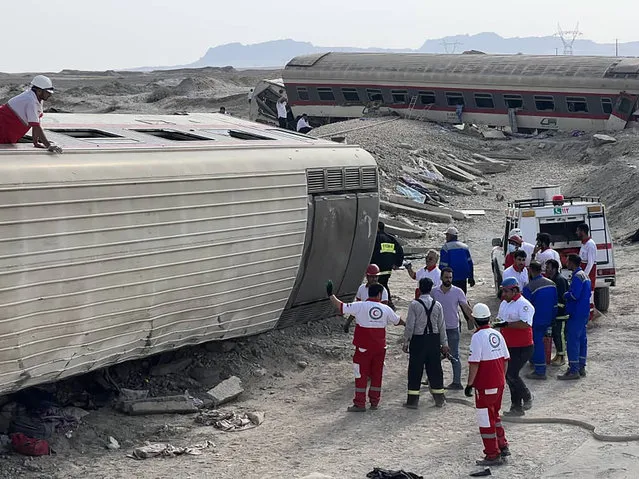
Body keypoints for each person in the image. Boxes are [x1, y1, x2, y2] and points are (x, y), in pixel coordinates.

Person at [327, 282, 404, 411]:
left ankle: (360, 403)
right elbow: (398, 321)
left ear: (368, 293)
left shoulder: (360, 306)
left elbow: (341, 306)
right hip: (380, 348)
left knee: (361, 375)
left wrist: (330, 295)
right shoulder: (386, 309)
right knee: (377, 374)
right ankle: (374, 402)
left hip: (363, 348)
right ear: (379, 294)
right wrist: (409, 325)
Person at [465, 303, 511, 467]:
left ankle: (492, 454)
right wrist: (501, 379)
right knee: (495, 415)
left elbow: (474, 364)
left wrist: (469, 384)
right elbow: (505, 360)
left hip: (485, 386)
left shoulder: (477, 337)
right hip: (499, 384)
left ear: (475, 320)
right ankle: (502, 445)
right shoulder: (497, 335)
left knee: (486, 420)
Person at [403, 278, 448, 408]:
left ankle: (412, 401)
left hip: (418, 340)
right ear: (431, 289)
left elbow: (410, 325)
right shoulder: (437, 305)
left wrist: (406, 341)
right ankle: (439, 399)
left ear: (419, 289)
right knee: (435, 369)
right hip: (434, 340)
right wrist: (444, 344)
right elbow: (441, 326)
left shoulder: (414, 305)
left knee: (415, 370)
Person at [494, 277, 535, 416]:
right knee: (509, 376)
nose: (503, 294)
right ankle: (516, 407)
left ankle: (527, 396)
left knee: (512, 373)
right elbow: (500, 320)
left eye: (505, 291)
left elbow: (525, 324)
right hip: (508, 346)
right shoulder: (504, 303)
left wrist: (506, 325)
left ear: (514, 290)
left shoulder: (524, 305)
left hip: (523, 347)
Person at [431, 267, 473, 390]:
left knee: (454, 355)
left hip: (452, 328)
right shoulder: (434, 292)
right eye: (446, 277)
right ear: (441, 278)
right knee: (434, 355)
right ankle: (433, 379)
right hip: (437, 329)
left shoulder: (458, 292)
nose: (448, 280)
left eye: (450, 277)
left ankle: (456, 382)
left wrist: (477, 322)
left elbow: (466, 308)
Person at [0, 75, 62, 153]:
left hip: (8, 129)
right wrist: (48, 145)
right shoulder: (30, 101)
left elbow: (36, 122)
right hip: (3, 128)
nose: (50, 95)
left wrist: (35, 142)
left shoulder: (37, 98)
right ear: (39, 91)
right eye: (47, 92)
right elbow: (36, 126)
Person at [558, 254, 591, 380]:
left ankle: (573, 370)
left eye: (567, 262)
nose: (566, 263)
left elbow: (575, 295)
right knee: (582, 340)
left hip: (576, 313)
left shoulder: (577, 277)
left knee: (572, 341)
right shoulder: (585, 275)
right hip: (583, 312)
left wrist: (565, 295)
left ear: (572, 263)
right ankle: (581, 366)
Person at [522, 261, 558, 380]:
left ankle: (540, 370)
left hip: (536, 320)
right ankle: (535, 361)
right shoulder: (552, 284)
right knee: (541, 343)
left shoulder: (529, 287)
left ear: (530, 271)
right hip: (548, 318)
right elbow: (555, 304)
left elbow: (525, 307)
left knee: (537, 343)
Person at [342, 264, 389, 333]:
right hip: (363, 322)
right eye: (372, 277)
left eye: (376, 277)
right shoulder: (362, 288)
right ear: (367, 276)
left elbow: (384, 310)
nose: (374, 279)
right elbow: (357, 307)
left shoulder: (382, 290)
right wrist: (348, 322)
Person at [371, 221, 404, 310]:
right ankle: (386, 303)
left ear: (377, 228)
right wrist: (397, 263)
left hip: (377, 268)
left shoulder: (375, 238)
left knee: (380, 285)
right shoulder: (391, 238)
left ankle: (387, 303)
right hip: (387, 268)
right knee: (383, 283)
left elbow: (371, 252)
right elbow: (400, 251)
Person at [546, 259, 569, 366]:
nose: (546, 270)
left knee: (560, 335)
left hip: (561, 313)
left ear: (554, 269)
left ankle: (562, 357)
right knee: (555, 335)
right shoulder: (553, 279)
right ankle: (558, 355)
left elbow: (562, 298)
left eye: (548, 268)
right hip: (555, 313)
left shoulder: (560, 280)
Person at [439, 226, 475, 294]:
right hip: (463, 278)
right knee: (462, 297)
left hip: (450, 279)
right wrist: (471, 277)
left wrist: (442, 278)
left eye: (447, 235)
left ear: (450, 236)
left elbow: (443, 266)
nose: (446, 237)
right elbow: (470, 263)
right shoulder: (465, 247)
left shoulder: (446, 248)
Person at [576, 223, 597, 321]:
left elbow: (591, 262)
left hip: (589, 272)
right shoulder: (584, 243)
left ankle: (590, 316)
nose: (576, 233)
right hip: (584, 271)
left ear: (582, 232)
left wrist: (584, 275)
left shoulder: (590, 244)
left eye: (578, 231)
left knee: (589, 294)